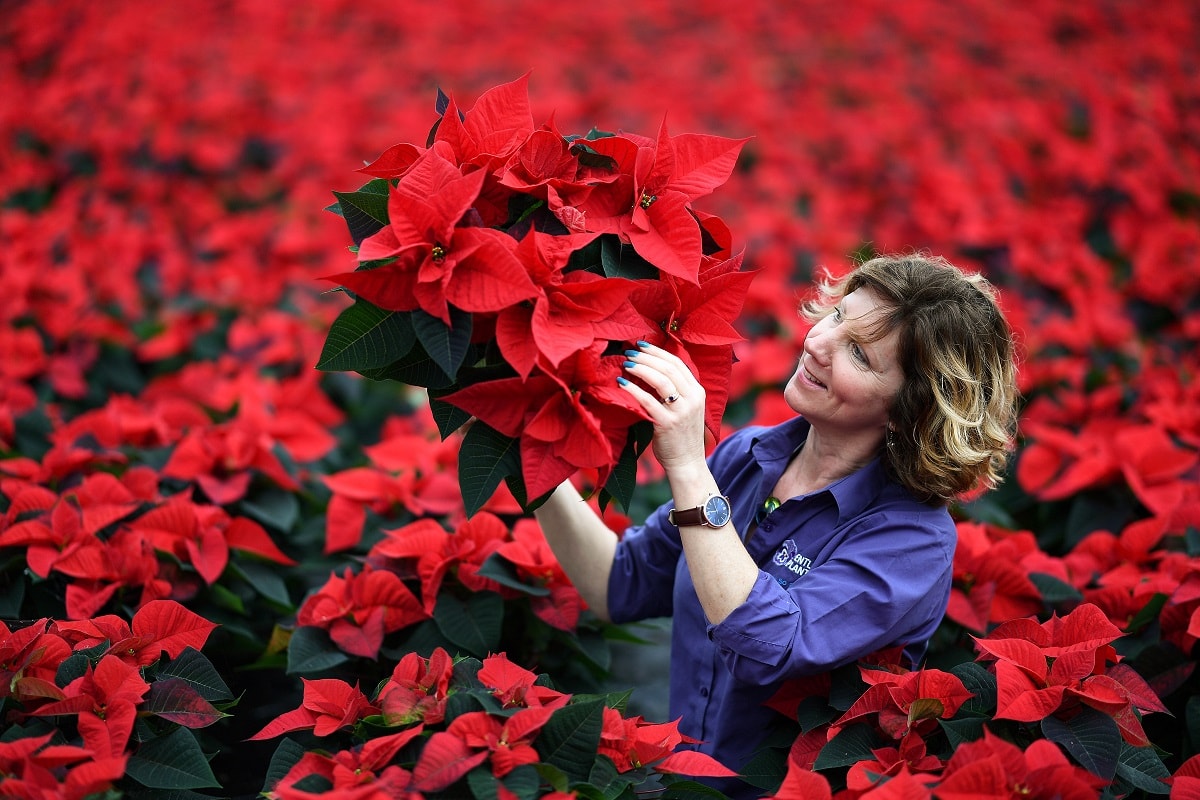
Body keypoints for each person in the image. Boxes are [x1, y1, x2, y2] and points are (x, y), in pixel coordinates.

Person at [532, 253, 1020, 798]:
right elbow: (620, 586)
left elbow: (764, 644)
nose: (817, 342)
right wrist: (529, 455)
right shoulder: (747, 457)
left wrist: (690, 470)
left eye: (858, 353)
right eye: (837, 317)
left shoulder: (912, 541)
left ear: (911, 411)